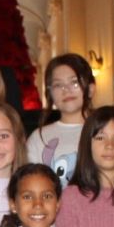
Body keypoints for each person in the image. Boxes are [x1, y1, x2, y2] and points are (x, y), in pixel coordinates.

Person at [28, 53, 94, 182]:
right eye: (58, 85)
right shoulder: (38, 138)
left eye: (74, 82)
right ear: (50, 93)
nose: (66, 90)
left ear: (91, 89)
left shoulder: (104, 132)